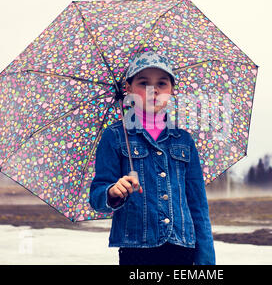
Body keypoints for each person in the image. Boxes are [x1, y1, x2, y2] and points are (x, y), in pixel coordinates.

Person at [89, 50, 216, 265]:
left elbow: (198, 205)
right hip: (136, 251)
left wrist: (206, 260)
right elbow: (97, 196)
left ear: (172, 91)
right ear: (127, 89)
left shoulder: (184, 140)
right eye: (143, 82)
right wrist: (113, 192)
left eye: (162, 83)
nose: (153, 90)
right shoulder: (115, 136)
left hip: (182, 248)